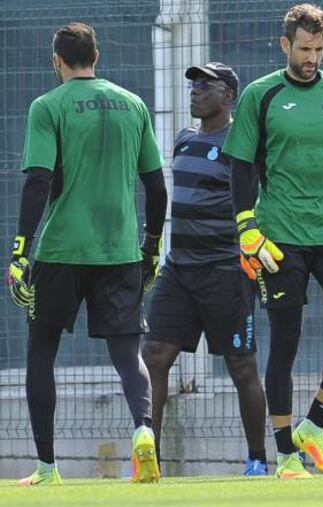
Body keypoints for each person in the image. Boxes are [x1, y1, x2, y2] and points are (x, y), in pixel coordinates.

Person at [223, 4, 323, 479]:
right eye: (304, 48)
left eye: (319, 49)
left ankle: (314, 425)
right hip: (279, 237)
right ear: (285, 45)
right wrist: (247, 228)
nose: (312, 57)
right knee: (286, 343)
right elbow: (241, 166)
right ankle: (286, 454)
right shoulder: (261, 95)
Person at [7, 22, 167, 485]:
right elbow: (156, 188)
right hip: (119, 250)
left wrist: (20, 251)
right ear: (96, 56)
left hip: (61, 249)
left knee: (42, 350)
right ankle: (143, 430)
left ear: (57, 60)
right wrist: (151, 248)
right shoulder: (133, 104)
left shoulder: (48, 106)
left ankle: (47, 467)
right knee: (126, 351)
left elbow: (38, 181)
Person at [142, 62, 268, 476]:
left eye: (205, 85)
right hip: (179, 270)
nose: (195, 91)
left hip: (226, 271)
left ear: (228, 96)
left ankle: (257, 460)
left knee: (241, 366)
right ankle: (150, 460)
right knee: (155, 356)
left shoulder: (241, 143)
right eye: (193, 85)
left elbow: (257, 196)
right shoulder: (183, 139)